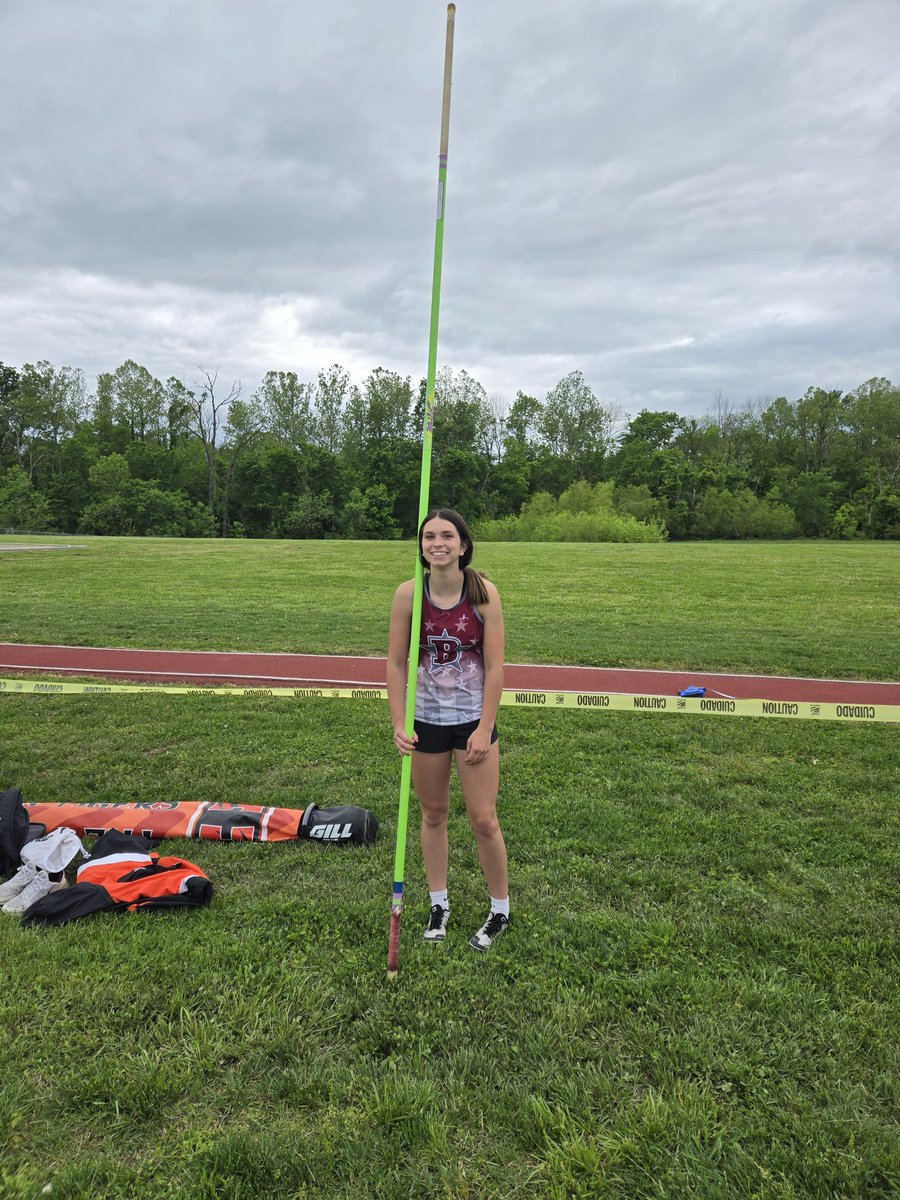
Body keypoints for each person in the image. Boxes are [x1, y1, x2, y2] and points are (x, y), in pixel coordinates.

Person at [387, 507, 510, 951]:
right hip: (427, 723)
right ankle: (438, 903)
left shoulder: (483, 594)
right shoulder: (408, 595)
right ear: (421, 547)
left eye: (446, 536)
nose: (436, 543)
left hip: (472, 722)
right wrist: (399, 722)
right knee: (433, 814)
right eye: (428, 537)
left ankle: (500, 909)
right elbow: (395, 663)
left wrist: (485, 727)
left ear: (462, 544)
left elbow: (496, 666)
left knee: (483, 819)